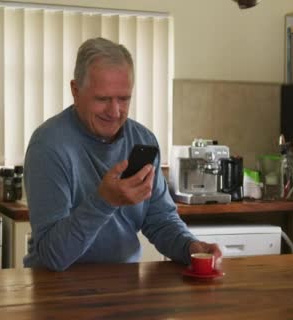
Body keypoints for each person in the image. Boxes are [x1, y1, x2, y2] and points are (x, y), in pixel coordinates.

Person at [23, 37, 221, 271]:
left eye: (124, 98)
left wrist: (191, 247)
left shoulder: (143, 140)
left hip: (123, 284)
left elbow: (160, 221)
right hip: (56, 289)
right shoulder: (48, 146)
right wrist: (105, 201)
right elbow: (52, 257)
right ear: (75, 90)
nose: (114, 112)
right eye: (103, 99)